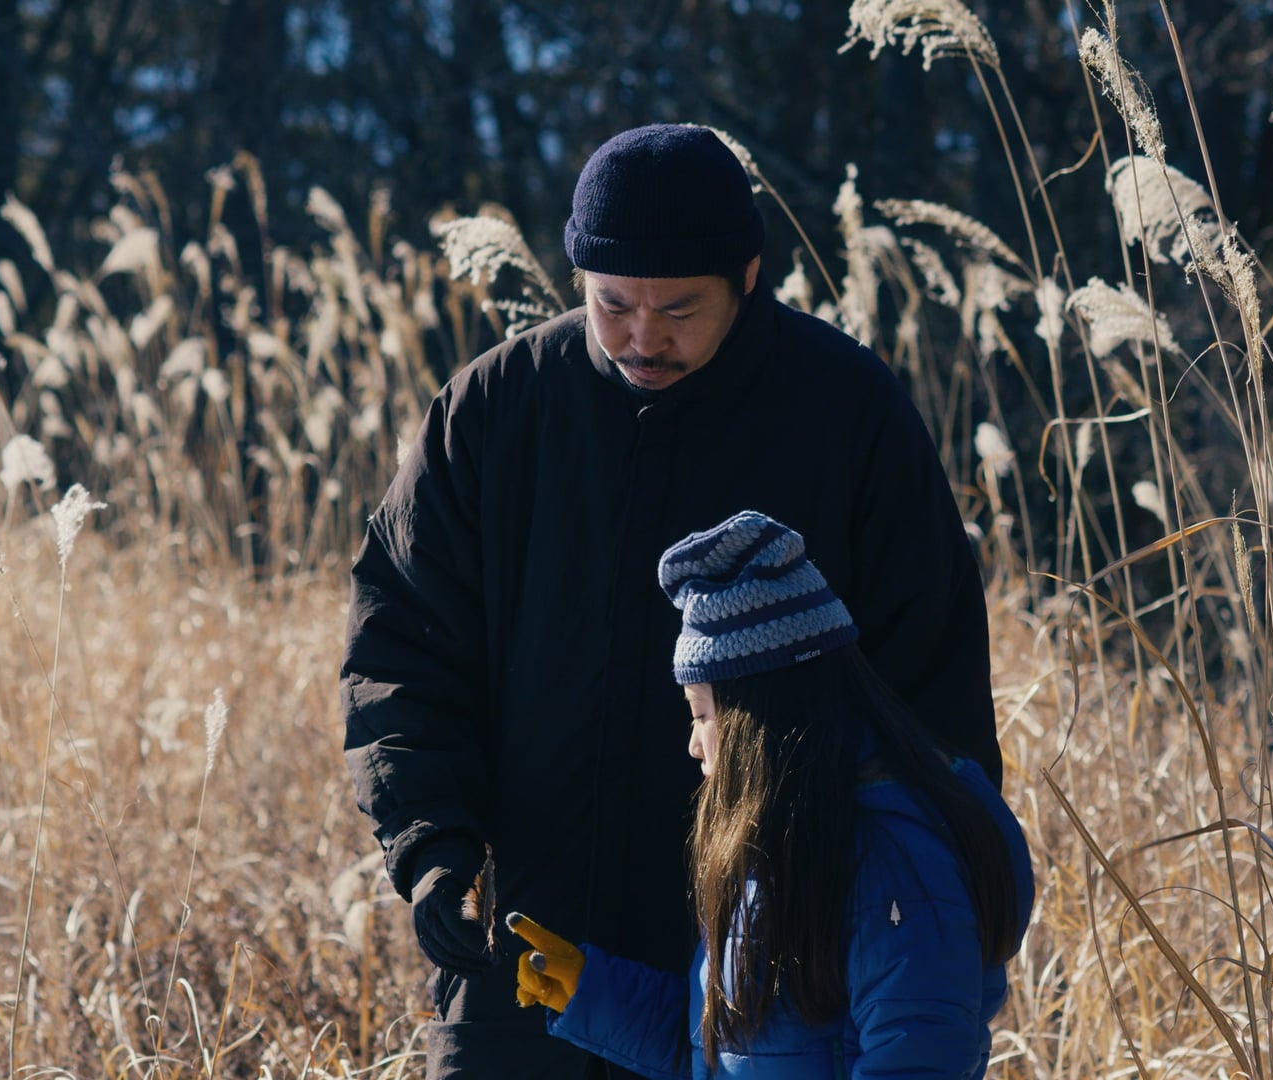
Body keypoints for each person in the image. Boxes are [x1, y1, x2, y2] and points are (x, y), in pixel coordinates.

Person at [339, 123, 1002, 1078]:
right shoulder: (493, 412)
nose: (644, 337)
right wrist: (432, 843)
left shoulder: (847, 415)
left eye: (681, 309)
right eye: (612, 305)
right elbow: (401, 649)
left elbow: (926, 698)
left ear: (749, 274)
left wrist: (900, 909)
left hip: (772, 970)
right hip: (531, 960)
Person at [503, 510, 1033, 1079]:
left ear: (755, 722)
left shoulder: (894, 863)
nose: (693, 745)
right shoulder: (781, 848)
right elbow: (724, 1054)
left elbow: (920, 1061)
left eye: (702, 714)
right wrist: (594, 994)